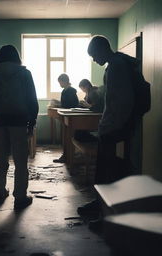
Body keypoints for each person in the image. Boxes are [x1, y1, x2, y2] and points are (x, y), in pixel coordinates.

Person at [77, 35, 137, 229]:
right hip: (113, 125)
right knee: (103, 170)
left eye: (94, 55)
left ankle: (106, 218)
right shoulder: (115, 64)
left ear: (103, 49)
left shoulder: (117, 67)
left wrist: (108, 126)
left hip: (114, 127)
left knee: (107, 172)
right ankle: (99, 205)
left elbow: (120, 102)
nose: (94, 60)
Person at [0, 44, 39, 209]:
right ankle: (20, 197)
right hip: (19, 121)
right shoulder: (25, 74)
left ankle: (0, 191)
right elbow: (32, 99)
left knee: (0, 159)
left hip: (0, 120)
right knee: (20, 160)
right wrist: (32, 122)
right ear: (17, 57)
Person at [53, 73, 79, 163]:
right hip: (66, 115)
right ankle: (66, 155)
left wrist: (60, 105)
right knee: (65, 136)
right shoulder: (65, 90)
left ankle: (68, 156)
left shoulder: (71, 91)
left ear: (64, 81)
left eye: (60, 82)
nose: (59, 84)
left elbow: (73, 104)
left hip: (70, 116)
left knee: (68, 137)